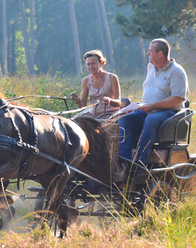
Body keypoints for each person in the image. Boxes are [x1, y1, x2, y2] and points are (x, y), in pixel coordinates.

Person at [118, 39, 189, 169]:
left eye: (150, 51)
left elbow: (177, 99)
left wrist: (152, 106)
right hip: (148, 109)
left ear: (160, 54)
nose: (147, 54)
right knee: (123, 121)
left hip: (169, 112)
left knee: (151, 119)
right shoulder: (150, 67)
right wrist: (140, 106)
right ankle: (124, 161)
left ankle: (139, 163)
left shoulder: (176, 71)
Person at [69, 50, 121, 119]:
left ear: (101, 63)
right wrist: (77, 100)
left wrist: (110, 101)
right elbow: (83, 105)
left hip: (110, 115)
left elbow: (119, 103)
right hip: (92, 115)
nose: (91, 67)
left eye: (93, 63)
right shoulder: (86, 80)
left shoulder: (112, 78)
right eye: (88, 64)